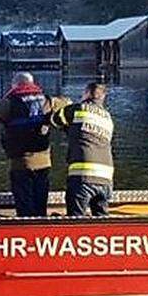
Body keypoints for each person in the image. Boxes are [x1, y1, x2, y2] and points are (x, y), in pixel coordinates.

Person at [0, 72, 69, 217]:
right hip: (44, 161)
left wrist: (4, 119)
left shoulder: (9, 104)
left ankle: (26, 228)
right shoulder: (48, 101)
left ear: (15, 86)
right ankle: (40, 226)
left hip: (20, 162)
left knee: (24, 204)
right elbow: (68, 105)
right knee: (40, 201)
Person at [49, 82, 114, 217]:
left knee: (76, 220)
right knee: (101, 219)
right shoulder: (108, 118)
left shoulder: (78, 108)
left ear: (87, 94)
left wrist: (65, 105)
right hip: (106, 178)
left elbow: (55, 120)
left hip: (83, 176)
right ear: (102, 98)